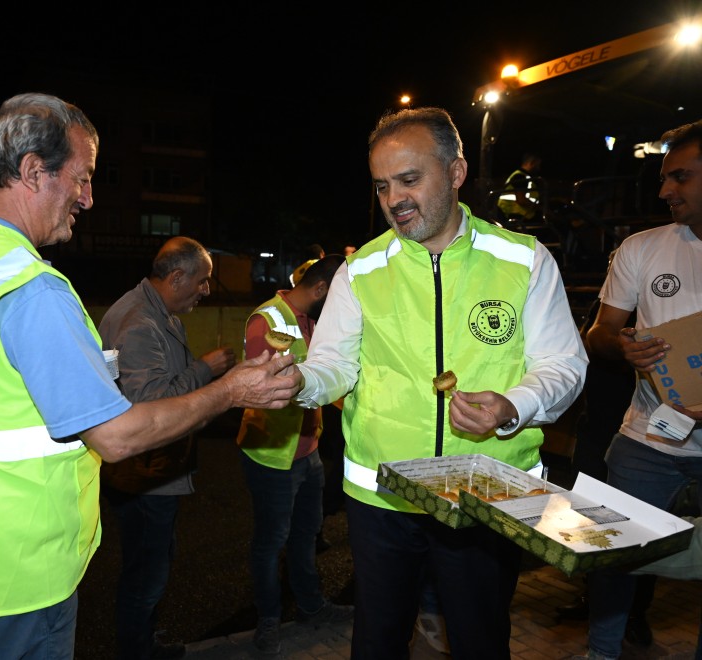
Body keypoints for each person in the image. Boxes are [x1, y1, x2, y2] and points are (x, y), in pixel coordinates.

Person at [0, 92, 300, 660]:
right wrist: (231, 390)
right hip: (13, 586)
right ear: (33, 171)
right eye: (81, 179)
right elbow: (117, 435)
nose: (88, 197)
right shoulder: (26, 287)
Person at [294, 107, 587, 659]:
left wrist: (513, 405)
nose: (394, 200)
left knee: (481, 641)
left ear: (455, 173)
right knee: (377, 642)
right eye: (382, 187)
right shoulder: (359, 270)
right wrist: (295, 383)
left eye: (410, 180)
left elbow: (564, 365)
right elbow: (332, 364)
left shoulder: (524, 259)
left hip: (487, 494)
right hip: (383, 494)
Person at [575, 119, 702, 660]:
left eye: (680, 177)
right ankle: (602, 653)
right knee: (614, 556)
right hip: (645, 442)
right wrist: (620, 346)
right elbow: (599, 332)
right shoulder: (642, 248)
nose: (664, 191)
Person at [97, 236, 236, 660]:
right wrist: (206, 369)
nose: (206, 290)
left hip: (150, 472)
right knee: (146, 574)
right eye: (202, 281)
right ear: (176, 277)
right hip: (146, 476)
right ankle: (137, 651)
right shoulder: (140, 323)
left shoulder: (157, 311)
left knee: (148, 567)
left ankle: (142, 642)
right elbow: (151, 405)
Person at [237, 253, 351, 655]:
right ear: (321, 290)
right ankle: (267, 621)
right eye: (338, 295)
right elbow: (260, 388)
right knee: (271, 543)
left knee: (305, 536)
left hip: (309, 451)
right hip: (272, 454)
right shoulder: (267, 321)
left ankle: (310, 606)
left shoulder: (314, 321)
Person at [496, 152, 543, 223]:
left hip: (516, 215)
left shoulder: (522, 176)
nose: (539, 168)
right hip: (515, 216)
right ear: (532, 163)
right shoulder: (521, 177)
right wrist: (540, 208)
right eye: (538, 165)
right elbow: (521, 200)